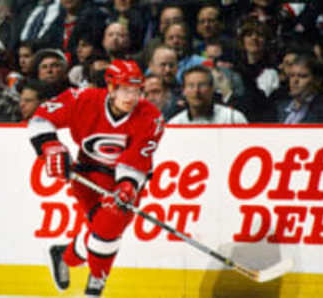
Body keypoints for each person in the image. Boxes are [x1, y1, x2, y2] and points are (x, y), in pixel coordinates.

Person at [28, 59, 164, 297]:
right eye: (124, 89)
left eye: (136, 90)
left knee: (105, 227)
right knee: (106, 227)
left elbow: (135, 162)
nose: (130, 97)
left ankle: (75, 264)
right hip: (88, 175)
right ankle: (91, 280)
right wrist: (50, 146)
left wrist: (127, 186)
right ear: (111, 88)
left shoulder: (151, 117)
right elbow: (40, 119)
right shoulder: (83, 99)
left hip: (128, 181)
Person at [272, 54, 323, 124]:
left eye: (302, 76)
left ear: (317, 80)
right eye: (292, 75)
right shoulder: (279, 107)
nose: (295, 80)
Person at [168, 65, 248, 124]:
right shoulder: (175, 124)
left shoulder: (232, 118)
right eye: (191, 86)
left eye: (202, 85)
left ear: (212, 88)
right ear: (184, 91)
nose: (196, 91)